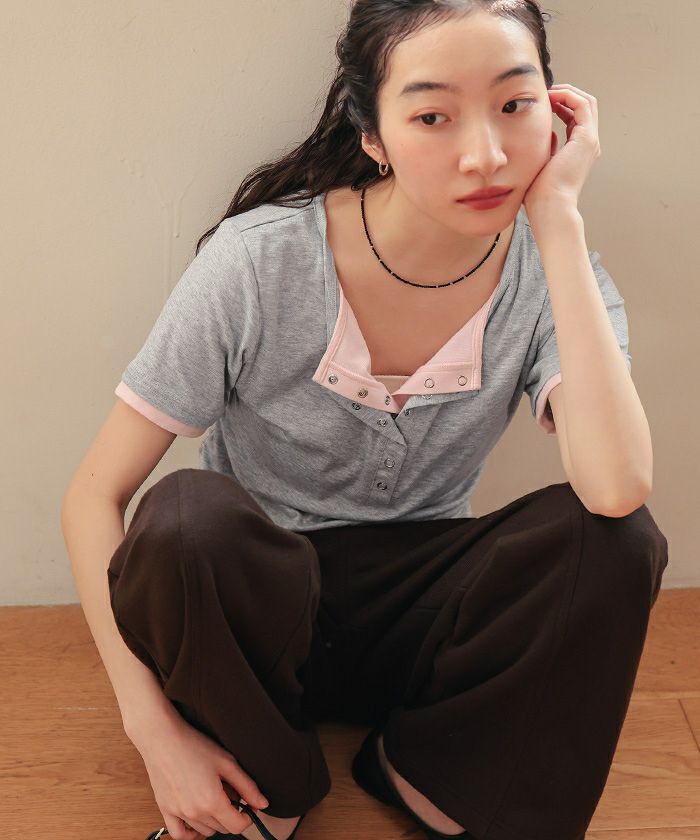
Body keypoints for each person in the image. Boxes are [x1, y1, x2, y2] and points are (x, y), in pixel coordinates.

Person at [60, 1, 669, 839]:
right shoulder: (261, 259)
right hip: (253, 625)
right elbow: (93, 498)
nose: (485, 154)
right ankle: (263, 796)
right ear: (373, 135)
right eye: (432, 116)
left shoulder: (560, 278)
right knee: (182, 519)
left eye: (514, 105)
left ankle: (435, 778)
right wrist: (153, 733)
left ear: (559, 114)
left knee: (617, 539)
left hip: (422, 623)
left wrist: (559, 222)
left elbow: (617, 488)